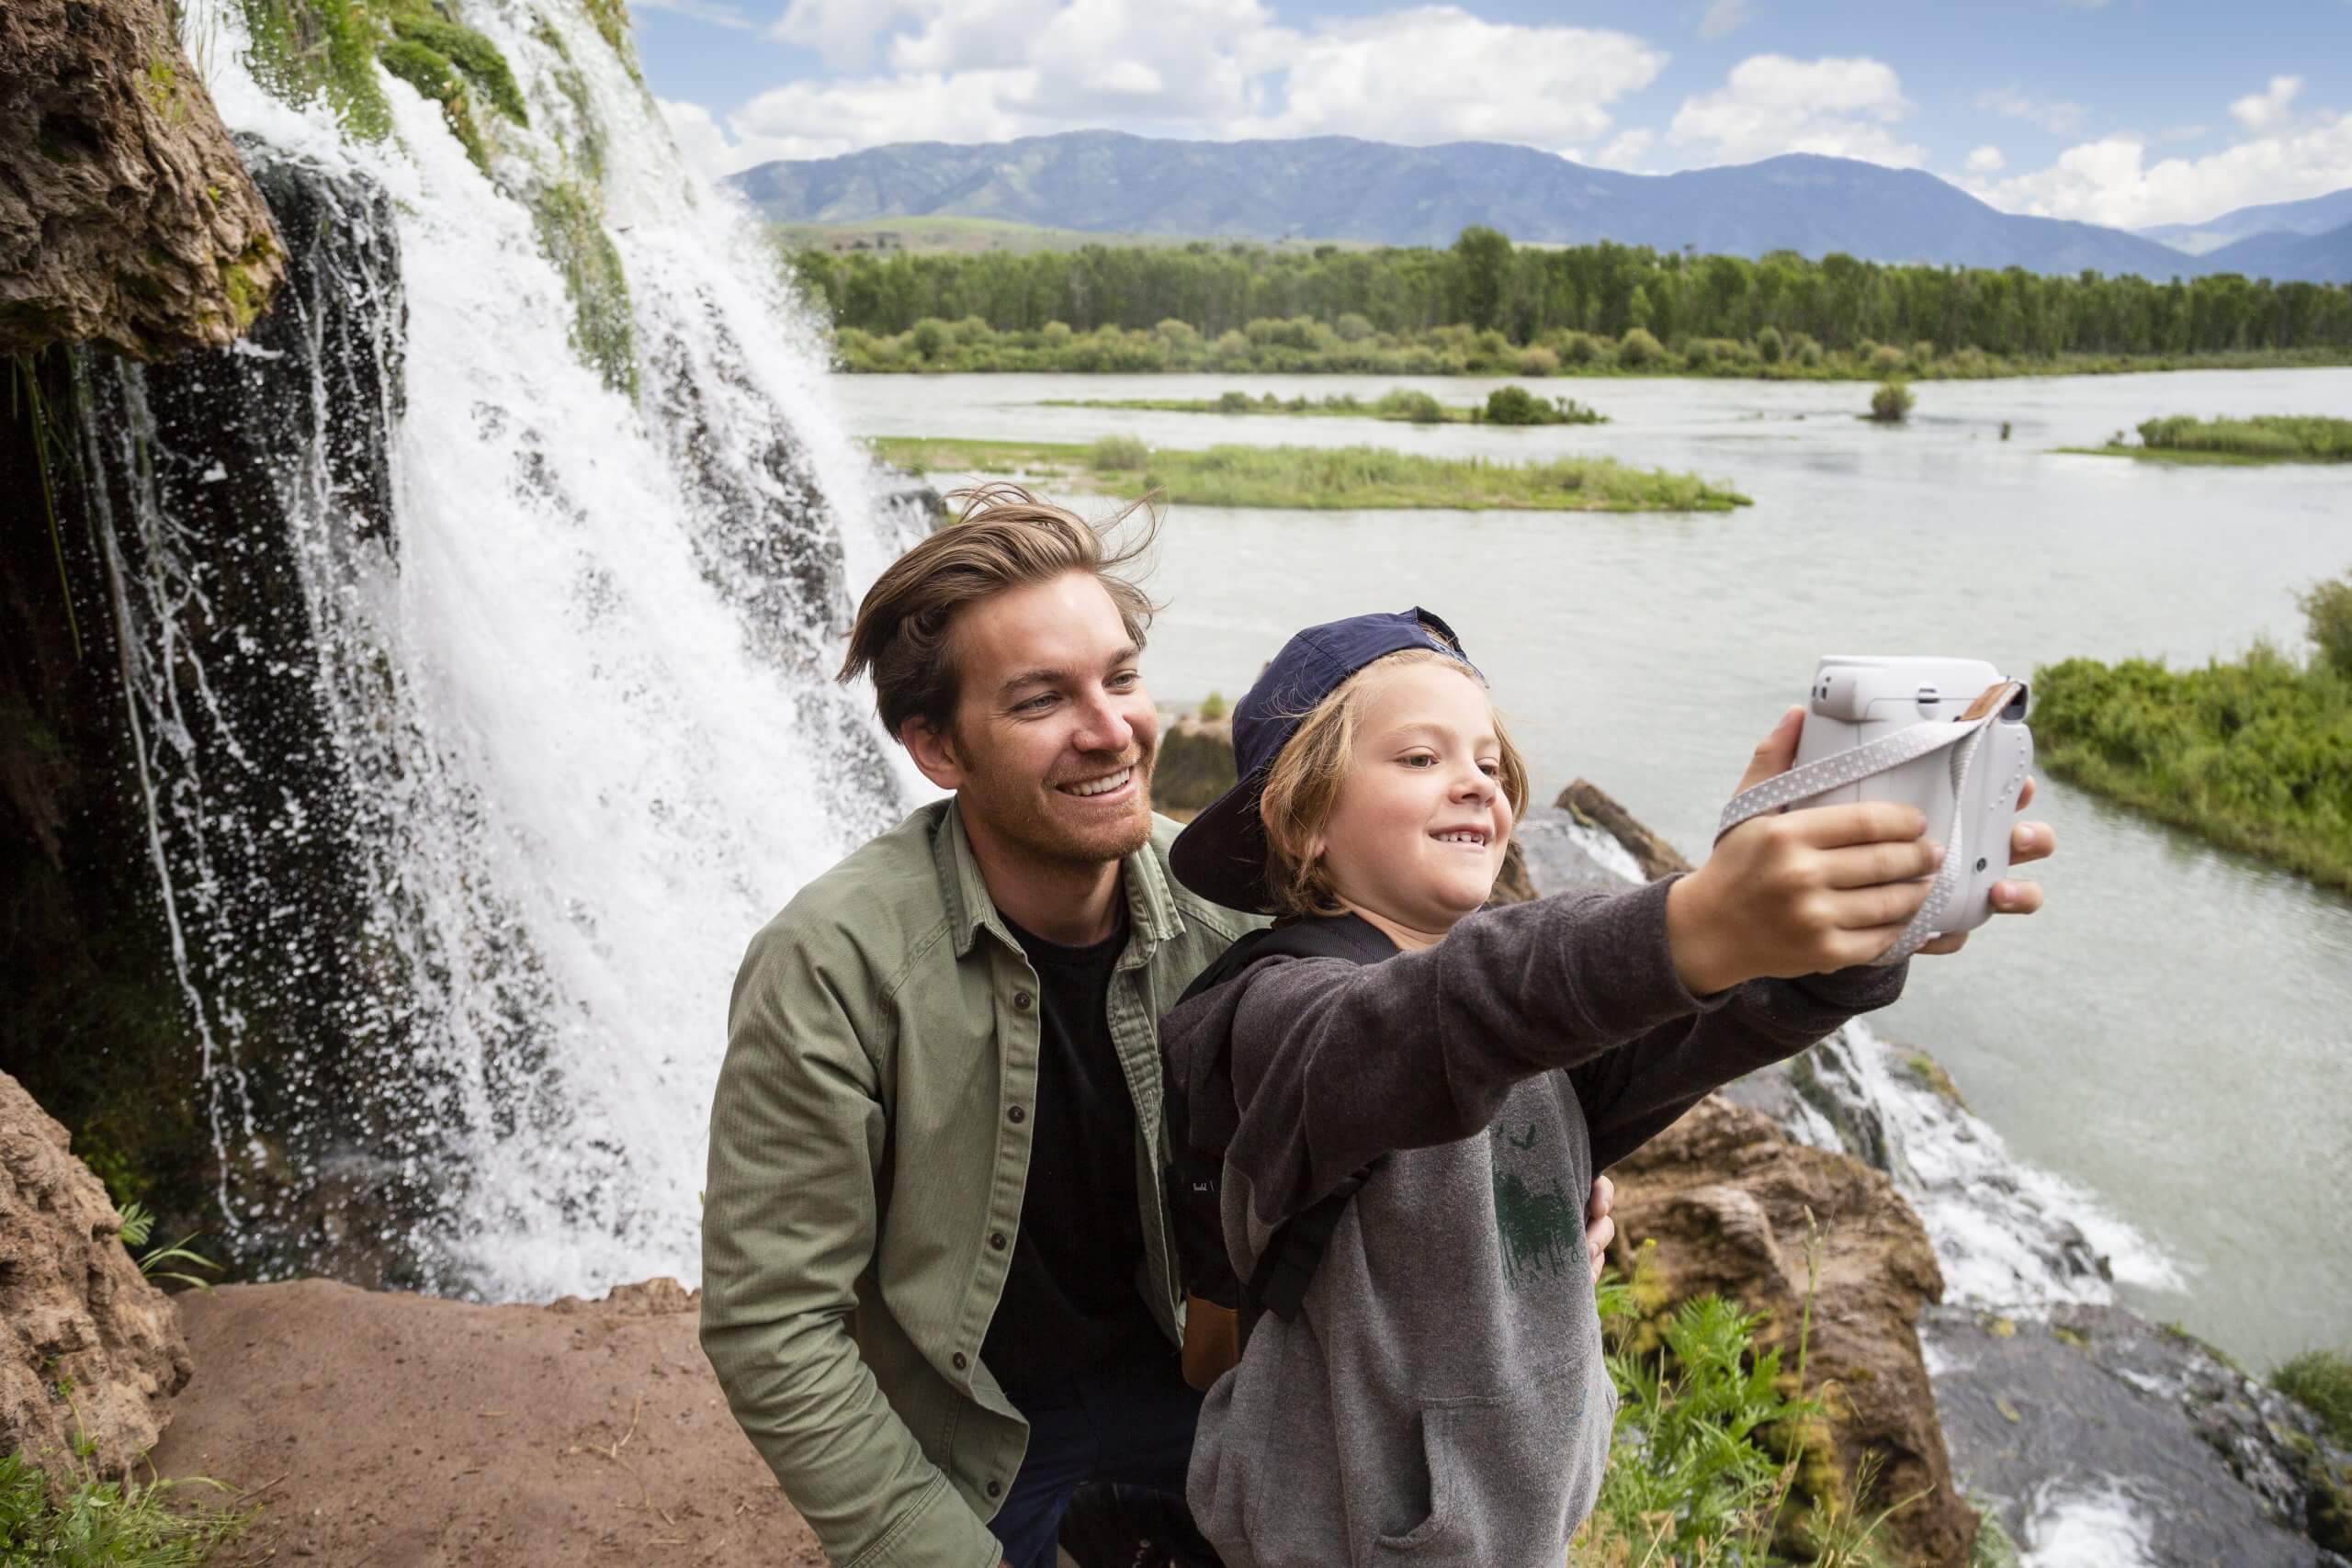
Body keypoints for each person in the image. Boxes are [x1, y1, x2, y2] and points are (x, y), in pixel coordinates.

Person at [698, 487, 1626, 1568]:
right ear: (936, 749)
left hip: (1227, 1401)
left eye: (1122, 678)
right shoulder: (832, 967)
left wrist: (1547, 1197)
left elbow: (1415, 1067)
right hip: (976, 1442)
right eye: (1043, 699)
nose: (1113, 731)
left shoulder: (1248, 920)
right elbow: (773, 1322)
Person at [1159, 610, 2052, 1568]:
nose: (1476, 782)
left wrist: (1855, 936)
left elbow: (1728, 1022)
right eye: (1419, 758)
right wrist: (1689, 918)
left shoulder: (1545, 1035)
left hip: (1515, 1534)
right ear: (1301, 821)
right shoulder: (1274, 1018)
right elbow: (1436, 1020)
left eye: (1490, 764)